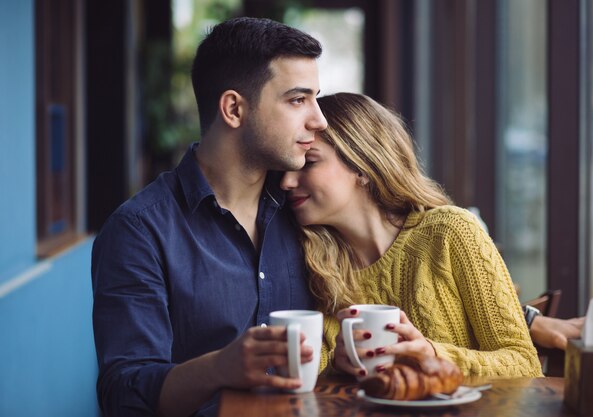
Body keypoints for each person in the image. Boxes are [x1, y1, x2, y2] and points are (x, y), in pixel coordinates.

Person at [91, 17, 327, 417]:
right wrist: (219, 368)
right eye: (297, 99)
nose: (318, 119)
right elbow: (124, 393)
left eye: (315, 98)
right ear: (233, 108)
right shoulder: (138, 231)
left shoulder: (306, 207)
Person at [280, 92, 544, 378]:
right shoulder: (313, 263)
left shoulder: (451, 232)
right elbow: (310, 381)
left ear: (362, 166)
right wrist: (337, 367)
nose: (287, 181)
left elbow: (524, 364)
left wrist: (433, 355)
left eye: (309, 164)